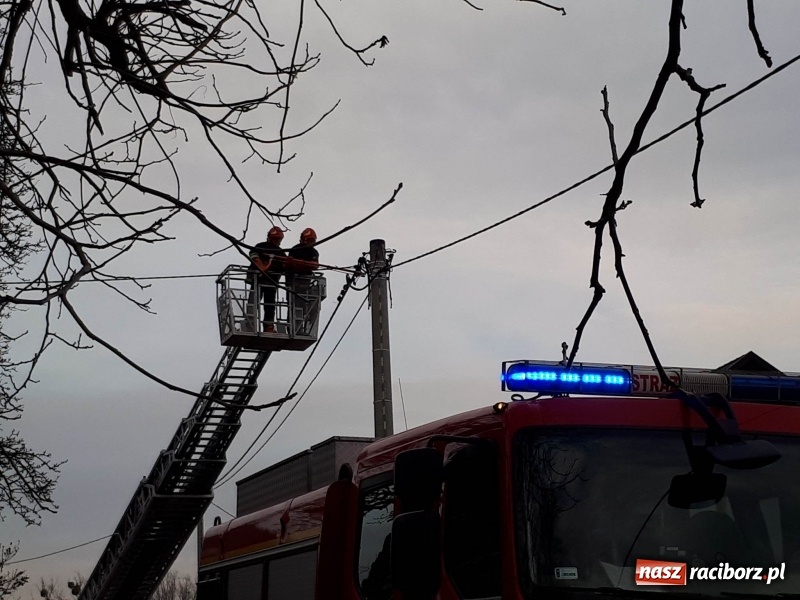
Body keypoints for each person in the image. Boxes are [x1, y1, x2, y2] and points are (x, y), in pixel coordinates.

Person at [248, 226, 286, 333]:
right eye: (276, 239)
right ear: (270, 238)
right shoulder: (261, 247)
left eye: (279, 239)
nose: (278, 242)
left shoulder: (280, 252)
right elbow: (253, 255)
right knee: (253, 302)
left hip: (271, 282)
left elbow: (285, 265)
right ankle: (249, 323)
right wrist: (261, 266)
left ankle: (268, 326)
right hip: (258, 280)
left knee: (269, 305)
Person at [285, 228, 320, 335]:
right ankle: (294, 329)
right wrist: (303, 264)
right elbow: (289, 264)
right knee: (295, 306)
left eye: (312, 240)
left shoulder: (313, 252)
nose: (311, 243)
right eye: (309, 240)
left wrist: (302, 264)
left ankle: (301, 329)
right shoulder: (295, 250)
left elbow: (315, 265)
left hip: (305, 283)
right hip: (294, 283)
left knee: (306, 307)